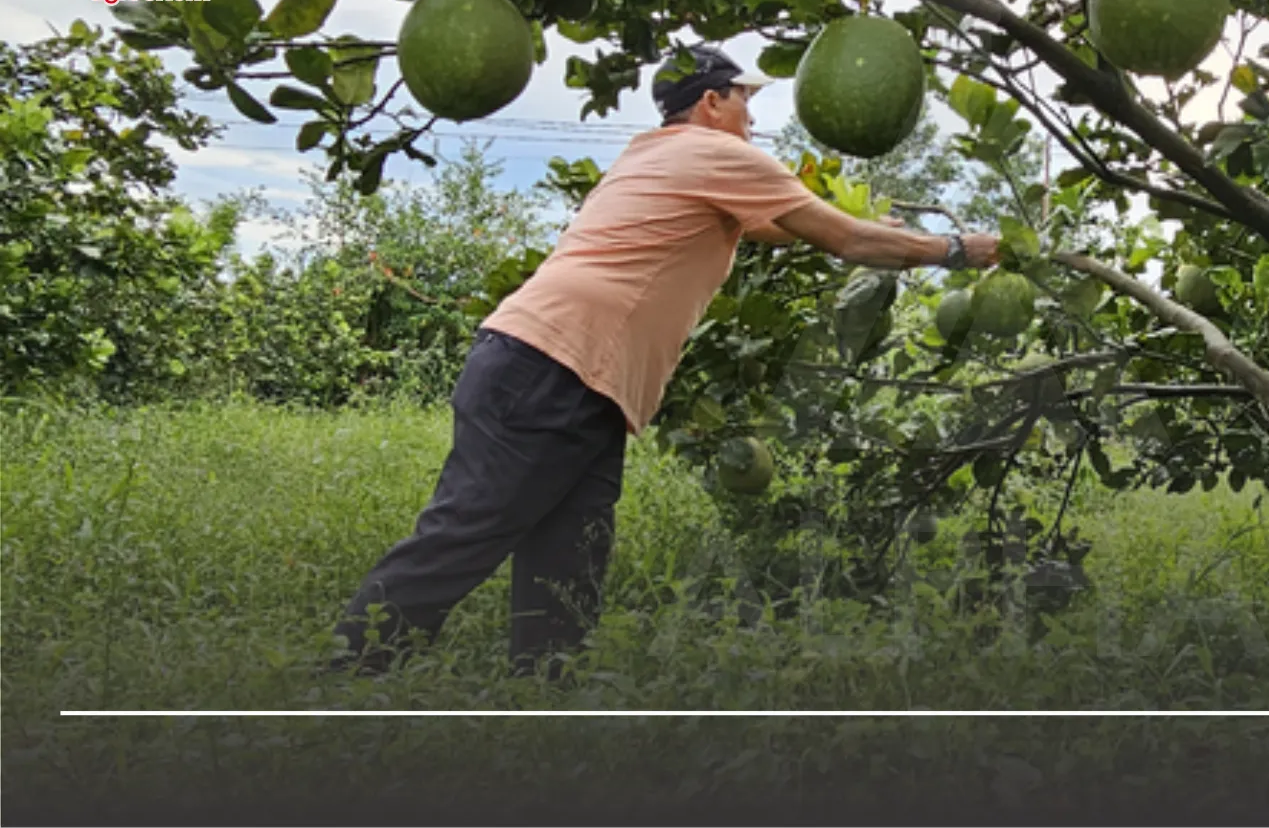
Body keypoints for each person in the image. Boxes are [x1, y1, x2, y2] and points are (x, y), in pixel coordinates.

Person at [328, 44, 1000, 678]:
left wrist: (866, 224)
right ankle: (348, 674)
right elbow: (844, 239)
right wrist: (956, 249)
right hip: (554, 366)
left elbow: (789, 228)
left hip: (566, 373)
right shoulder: (715, 152)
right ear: (712, 102)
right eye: (744, 99)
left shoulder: (653, 153)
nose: (752, 116)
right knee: (469, 529)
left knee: (571, 551)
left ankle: (543, 691)